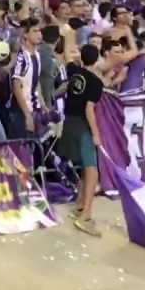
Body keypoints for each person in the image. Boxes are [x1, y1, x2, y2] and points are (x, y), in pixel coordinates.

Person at [59, 44, 105, 238]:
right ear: (97, 59)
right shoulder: (96, 82)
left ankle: (79, 205)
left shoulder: (74, 72)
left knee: (85, 167)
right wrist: (96, 133)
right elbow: (89, 109)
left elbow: (67, 57)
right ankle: (86, 215)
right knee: (92, 169)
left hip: (69, 122)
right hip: (83, 126)